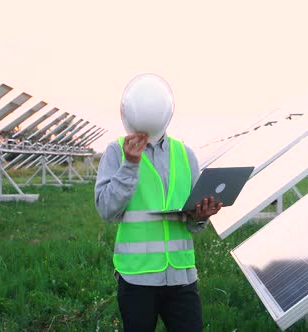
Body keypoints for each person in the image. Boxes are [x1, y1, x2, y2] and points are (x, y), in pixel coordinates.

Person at [95, 74, 222, 332]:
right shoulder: (116, 151)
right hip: (137, 278)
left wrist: (202, 215)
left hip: (181, 276)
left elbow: (195, 225)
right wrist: (130, 165)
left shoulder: (185, 154)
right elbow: (106, 209)